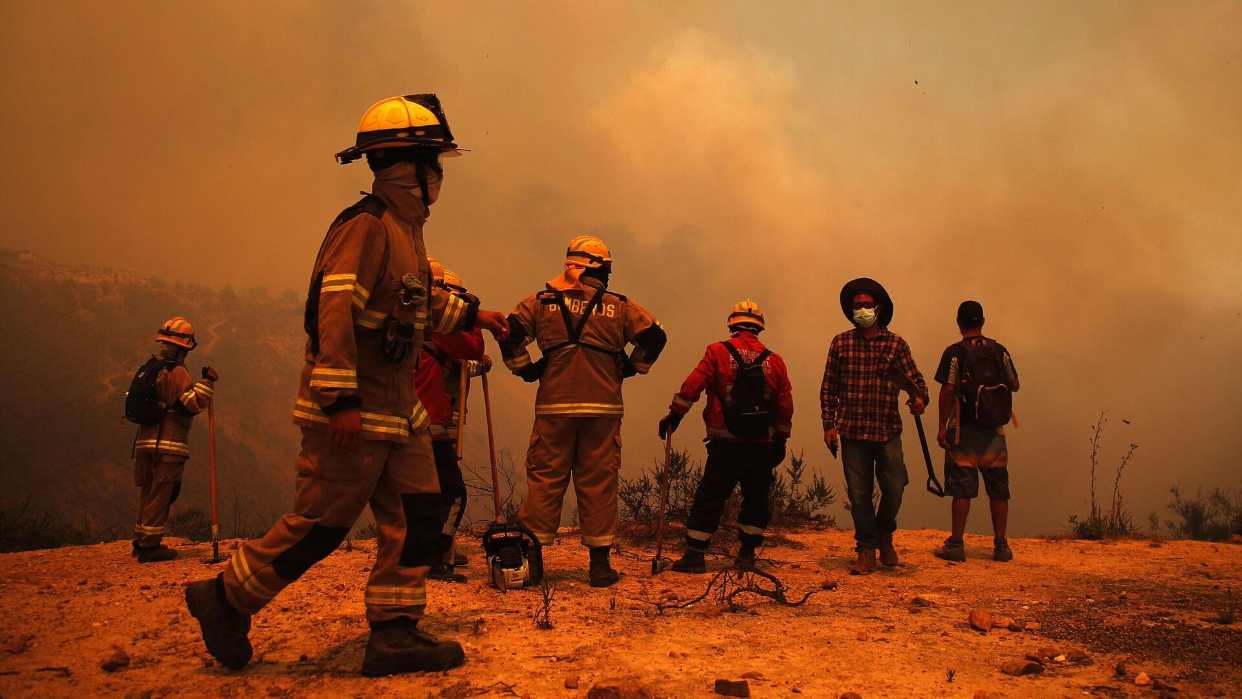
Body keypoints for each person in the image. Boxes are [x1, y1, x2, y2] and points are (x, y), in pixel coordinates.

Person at [183, 94, 509, 676]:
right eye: (435, 160)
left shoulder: (406, 231)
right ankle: (226, 597)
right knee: (322, 524)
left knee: (420, 514)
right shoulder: (367, 227)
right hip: (356, 411)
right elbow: (331, 311)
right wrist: (339, 401)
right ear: (409, 164)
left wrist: (471, 316)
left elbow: (406, 304)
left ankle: (395, 633)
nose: (439, 175)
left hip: (398, 413)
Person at [499, 235, 666, 587]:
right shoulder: (620, 306)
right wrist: (632, 368)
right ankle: (600, 566)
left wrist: (525, 368)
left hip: (554, 407)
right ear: (599, 268)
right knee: (599, 482)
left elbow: (508, 332)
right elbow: (655, 339)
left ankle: (531, 563)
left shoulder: (541, 302)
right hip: (603, 409)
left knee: (545, 479)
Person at [657, 299, 793, 573]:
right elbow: (785, 405)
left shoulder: (717, 352)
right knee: (756, 498)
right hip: (761, 445)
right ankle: (746, 554)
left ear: (732, 324)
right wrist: (781, 440)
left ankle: (695, 555)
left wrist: (675, 415)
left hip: (725, 443)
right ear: (759, 328)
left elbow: (693, 385)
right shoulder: (775, 361)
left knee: (711, 496)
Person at [821, 278, 928, 575]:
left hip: (886, 430)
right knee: (859, 494)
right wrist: (828, 424)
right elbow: (829, 386)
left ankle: (885, 534)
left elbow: (917, 383)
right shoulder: (841, 343)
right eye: (857, 306)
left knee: (895, 486)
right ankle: (866, 549)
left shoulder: (896, 345)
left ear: (878, 308)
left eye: (867, 305)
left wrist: (920, 400)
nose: (862, 310)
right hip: (852, 431)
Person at [415, 260, 490, 582]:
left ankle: (424, 553)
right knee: (451, 492)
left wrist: (475, 366)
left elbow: (452, 363)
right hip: (428, 425)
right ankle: (433, 556)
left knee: (415, 494)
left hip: (417, 422)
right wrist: (471, 317)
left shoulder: (413, 325)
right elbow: (470, 346)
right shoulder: (438, 324)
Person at [932, 301, 1020, 563]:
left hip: (963, 429)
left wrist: (941, 427)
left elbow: (947, 390)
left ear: (958, 322)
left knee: (962, 490)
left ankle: (957, 544)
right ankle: (1001, 545)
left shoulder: (955, 353)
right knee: (999, 489)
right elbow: (1014, 384)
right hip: (994, 430)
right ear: (983, 321)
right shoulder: (998, 350)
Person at [128, 317, 216, 563]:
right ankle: (150, 546)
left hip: (144, 443)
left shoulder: (151, 368)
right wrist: (207, 384)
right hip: (169, 444)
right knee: (162, 493)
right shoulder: (176, 372)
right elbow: (190, 403)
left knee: (148, 492)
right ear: (183, 347)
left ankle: (140, 539)